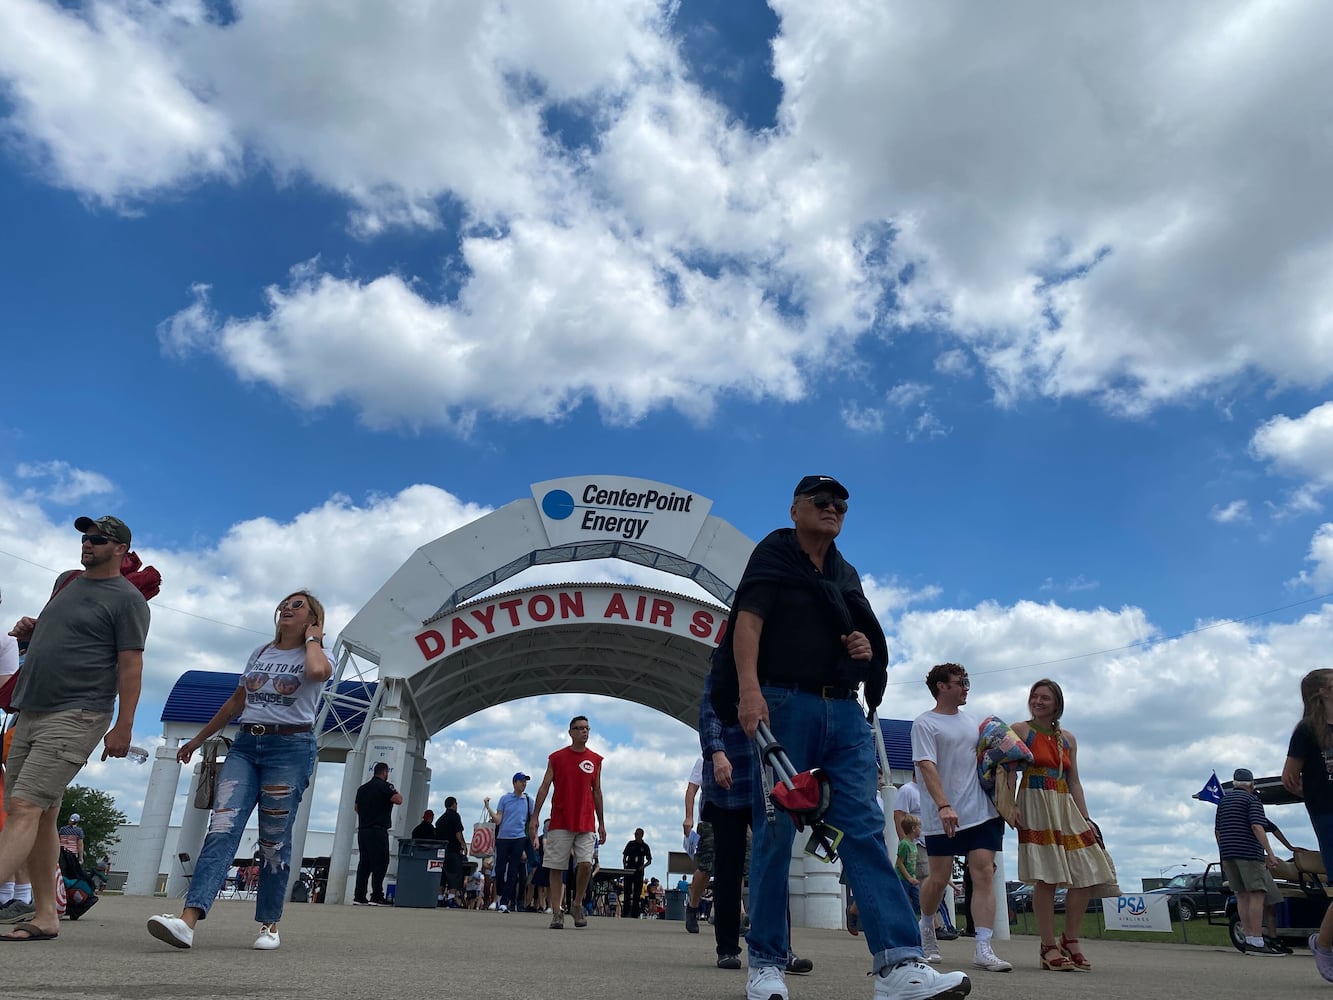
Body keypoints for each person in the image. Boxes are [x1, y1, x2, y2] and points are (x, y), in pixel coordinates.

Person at [725, 475, 969, 1000]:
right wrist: (750, 690)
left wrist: (864, 647)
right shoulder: (774, 552)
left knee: (863, 829)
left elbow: (862, 628)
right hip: (783, 702)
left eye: (841, 504)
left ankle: (898, 966)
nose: (833, 509)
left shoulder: (843, 571)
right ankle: (766, 963)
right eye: (821, 501)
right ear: (795, 509)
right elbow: (747, 623)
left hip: (845, 709)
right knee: (774, 835)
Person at [146, 589, 330, 951]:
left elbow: (317, 672)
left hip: (290, 749)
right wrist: (197, 739)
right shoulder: (260, 653)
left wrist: (312, 640)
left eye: (298, 606)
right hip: (246, 746)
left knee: (273, 839)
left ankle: (269, 924)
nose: (286, 610)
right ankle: (187, 921)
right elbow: (236, 701)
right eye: (283, 605)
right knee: (222, 828)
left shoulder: (320, 654)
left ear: (313, 619)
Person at [0, 516, 149, 943]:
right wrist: (32, 631)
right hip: (31, 710)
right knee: (39, 813)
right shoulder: (66, 581)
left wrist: (124, 726)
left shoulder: (127, 600)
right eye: (85, 537)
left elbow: (131, 664)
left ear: (120, 548)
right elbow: (61, 634)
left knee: (26, 806)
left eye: (98, 539)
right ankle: (46, 915)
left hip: (78, 712)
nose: (88, 544)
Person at [700, 671, 813, 976]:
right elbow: (710, 717)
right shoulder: (723, 675)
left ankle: (781, 949)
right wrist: (718, 755)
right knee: (728, 867)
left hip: (767, 781)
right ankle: (727, 948)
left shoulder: (778, 675)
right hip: (729, 784)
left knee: (774, 863)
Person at [1011, 677, 1115, 972]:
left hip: (1063, 802)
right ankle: (1047, 946)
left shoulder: (1068, 739)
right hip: (1035, 800)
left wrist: (1086, 818)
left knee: (1087, 870)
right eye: (1034, 696)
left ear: (1057, 704)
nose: (1038, 701)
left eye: (1045, 697)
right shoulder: (1020, 730)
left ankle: (1070, 938)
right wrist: (1010, 807)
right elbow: (1006, 770)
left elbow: (1075, 780)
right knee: (1048, 875)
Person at [913, 662, 1010, 973]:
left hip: (980, 812)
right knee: (939, 878)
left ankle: (983, 947)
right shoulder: (925, 724)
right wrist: (943, 805)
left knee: (983, 873)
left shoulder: (973, 724)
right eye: (960, 682)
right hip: (942, 813)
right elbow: (927, 766)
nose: (966, 686)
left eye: (967, 681)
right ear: (942, 687)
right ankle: (926, 926)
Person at [531, 714, 606, 930]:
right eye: (580, 728)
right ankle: (556, 912)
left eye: (587, 728)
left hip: (585, 820)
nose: (584, 731)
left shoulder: (595, 760)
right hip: (561, 819)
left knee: (585, 864)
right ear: (570, 732)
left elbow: (597, 792)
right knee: (556, 866)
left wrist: (601, 822)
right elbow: (545, 786)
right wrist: (535, 817)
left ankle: (577, 904)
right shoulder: (557, 758)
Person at [1283, 668, 1333, 982]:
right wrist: (1309, 790)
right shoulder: (1306, 730)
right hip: (1328, 812)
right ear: (1322, 692)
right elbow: (1290, 776)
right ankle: (1323, 944)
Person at [1215, 767, 1284, 956]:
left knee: (1242, 896)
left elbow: (1218, 831)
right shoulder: (1252, 800)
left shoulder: (1223, 801)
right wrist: (1270, 853)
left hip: (1228, 854)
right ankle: (1258, 940)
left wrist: (1224, 852)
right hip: (1249, 853)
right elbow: (1256, 826)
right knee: (1257, 894)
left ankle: (1249, 940)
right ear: (1252, 785)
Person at [353, 761, 402, 906]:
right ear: (385, 773)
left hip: (363, 830)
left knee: (364, 863)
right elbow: (399, 800)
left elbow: (356, 807)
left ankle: (359, 896)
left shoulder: (362, 788)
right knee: (381, 862)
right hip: (378, 830)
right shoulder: (385, 786)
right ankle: (377, 896)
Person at [491, 771, 533, 912]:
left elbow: (532, 821)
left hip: (519, 838)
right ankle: (500, 895)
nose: (524, 784)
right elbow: (498, 820)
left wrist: (533, 839)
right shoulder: (505, 799)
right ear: (514, 783)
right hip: (503, 838)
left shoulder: (528, 801)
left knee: (513, 872)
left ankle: (504, 902)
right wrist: (487, 807)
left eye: (525, 781)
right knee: (500, 869)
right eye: (521, 781)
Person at [435, 797, 467, 901]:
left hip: (441, 850)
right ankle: (451, 898)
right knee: (454, 874)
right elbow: (458, 833)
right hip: (453, 849)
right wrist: (463, 844)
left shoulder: (440, 819)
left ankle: (439, 897)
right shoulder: (455, 816)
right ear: (454, 804)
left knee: (442, 875)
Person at [896, 815, 923, 916]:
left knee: (919, 901)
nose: (920, 829)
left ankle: (910, 916)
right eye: (919, 827)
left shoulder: (913, 845)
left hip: (912, 878)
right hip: (903, 879)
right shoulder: (904, 844)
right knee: (904, 902)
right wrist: (909, 878)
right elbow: (899, 862)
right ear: (913, 829)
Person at [622, 827, 652, 919]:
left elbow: (649, 860)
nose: (636, 836)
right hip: (629, 869)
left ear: (642, 835)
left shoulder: (645, 846)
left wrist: (643, 866)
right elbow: (624, 856)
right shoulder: (631, 844)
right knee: (627, 891)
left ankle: (635, 913)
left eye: (638, 834)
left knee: (637, 892)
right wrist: (625, 866)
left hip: (639, 871)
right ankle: (625, 912)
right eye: (635, 834)